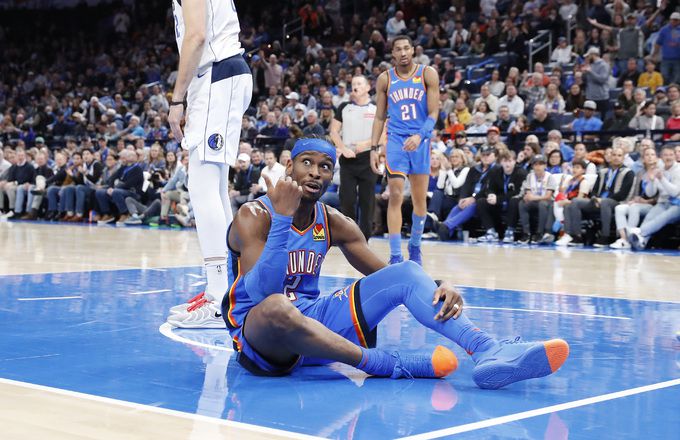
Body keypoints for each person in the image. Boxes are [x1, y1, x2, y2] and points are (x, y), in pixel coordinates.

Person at [168, 137, 569, 387]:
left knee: (408, 271)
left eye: (325, 167)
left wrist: (436, 285)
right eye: (307, 163)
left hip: (316, 323)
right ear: (289, 167)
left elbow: (392, 277)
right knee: (277, 306)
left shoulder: (333, 221)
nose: (316, 173)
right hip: (262, 337)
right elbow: (262, 292)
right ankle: (384, 364)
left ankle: (488, 350)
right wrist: (284, 220)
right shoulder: (253, 215)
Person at [167, 0, 253, 327]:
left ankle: (219, 297)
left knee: (202, 187)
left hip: (217, 74)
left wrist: (177, 100)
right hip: (220, 76)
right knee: (215, 189)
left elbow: (197, 36)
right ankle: (229, 289)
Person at [370, 35, 440, 265]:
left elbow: (433, 113)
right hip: (396, 141)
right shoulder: (385, 79)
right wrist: (374, 147)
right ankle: (395, 255)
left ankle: (415, 245)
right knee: (395, 195)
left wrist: (420, 135)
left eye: (406, 48)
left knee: (419, 202)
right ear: (393, 53)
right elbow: (379, 116)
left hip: (420, 140)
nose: (402, 53)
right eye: (398, 49)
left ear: (413, 50)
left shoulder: (427, 74)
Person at [330, 76, 379, 241]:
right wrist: (343, 149)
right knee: (347, 199)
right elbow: (334, 131)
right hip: (348, 160)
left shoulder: (376, 108)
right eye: (353, 84)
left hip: (368, 159)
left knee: (367, 201)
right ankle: (348, 236)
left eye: (359, 84)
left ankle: (364, 238)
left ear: (368, 87)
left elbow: (383, 135)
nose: (355, 86)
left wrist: (365, 144)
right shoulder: (344, 107)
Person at [558, 146, 634, 247]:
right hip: (597, 201)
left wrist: (602, 200)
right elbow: (594, 190)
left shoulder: (628, 173)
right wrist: (595, 198)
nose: (616, 157)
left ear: (623, 158)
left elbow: (623, 194)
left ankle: (605, 237)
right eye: (614, 155)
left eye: (619, 155)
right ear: (610, 156)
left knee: (605, 202)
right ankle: (575, 236)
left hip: (616, 202)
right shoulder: (603, 172)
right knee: (575, 202)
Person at [628, 146, 680, 250]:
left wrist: (662, 179)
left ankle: (640, 231)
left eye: (671, 155)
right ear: (661, 157)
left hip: (677, 204)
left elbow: (674, 192)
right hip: (662, 202)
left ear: (675, 156)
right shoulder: (659, 169)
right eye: (665, 155)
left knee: (663, 217)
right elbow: (650, 193)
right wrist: (651, 181)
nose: (668, 157)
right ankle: (641, 243)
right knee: (649, 217)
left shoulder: (678, 169)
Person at [610, 148, 659, 249]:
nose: (650, 157)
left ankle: (629, 239)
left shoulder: (660, 172)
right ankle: (623, 238)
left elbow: (660, 195)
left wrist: (647, 201)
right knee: (619, 208)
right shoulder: (640, 173)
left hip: (653, 205)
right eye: (647, 155)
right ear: (643, 158)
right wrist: (634, 199)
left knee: (634, 207)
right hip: (639, 203)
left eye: (652, 155)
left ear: (656, 158)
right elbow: (636, 192)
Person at [476, 150, 527, 243]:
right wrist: (491, 195)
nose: (507, 164)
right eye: (505, 161)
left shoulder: (521, 173)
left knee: (514, 200)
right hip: (498, 203)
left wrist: (498, 199)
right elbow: (490, 188)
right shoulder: (495, 171)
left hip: (512, 203)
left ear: (515, 161)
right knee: (481, 202)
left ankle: (510, 232)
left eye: (510, 161)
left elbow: (518, 192)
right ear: (501, 162)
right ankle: (491, 232)